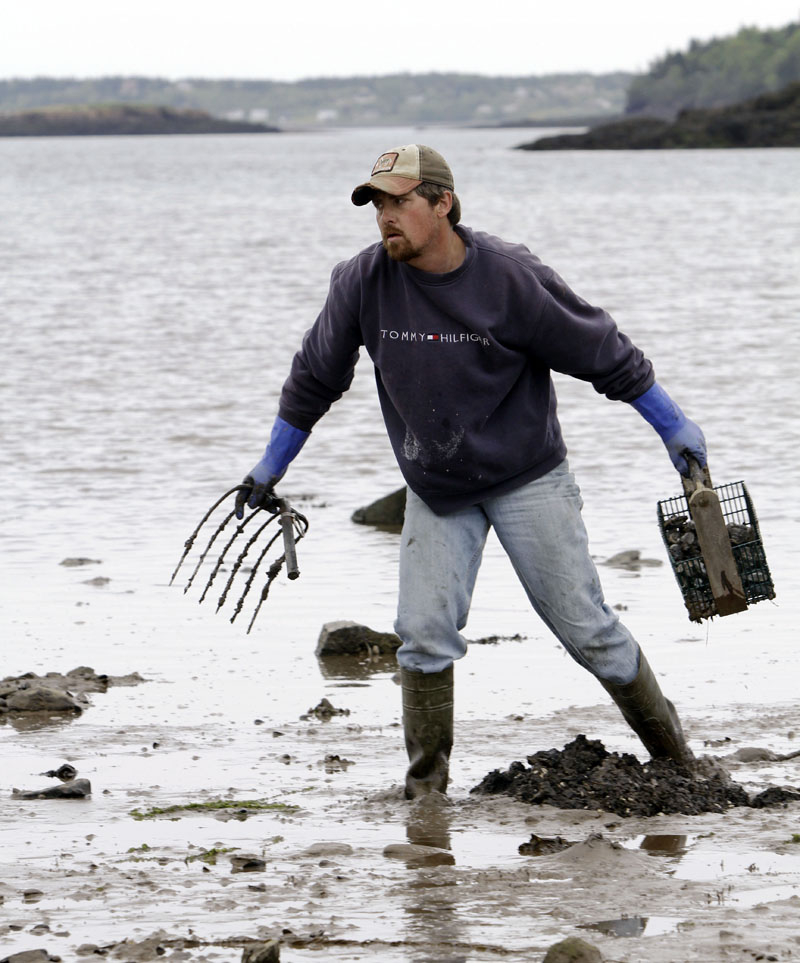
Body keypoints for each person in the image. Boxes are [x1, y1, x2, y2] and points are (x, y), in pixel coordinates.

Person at [234, 144, 707, 799]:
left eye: (400, 201)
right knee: (423, 636)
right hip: (437, 490)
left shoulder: (510, 279)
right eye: (377, 204)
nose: (385, 217)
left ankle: (678, 761)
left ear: (442, 203)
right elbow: (314, 378)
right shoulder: (361, 282)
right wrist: (270, 465)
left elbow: (604, 351)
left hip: (527, 479)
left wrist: (671, 425)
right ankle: (426, 795)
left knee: (590, 632)